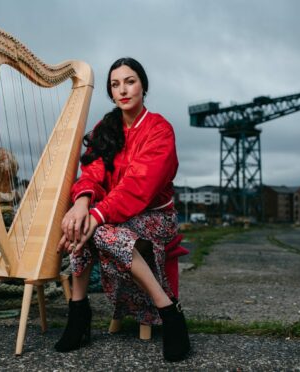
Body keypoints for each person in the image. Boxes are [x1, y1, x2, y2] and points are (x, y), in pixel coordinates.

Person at [55, 57, 190, 362]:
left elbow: (137, 187)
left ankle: (169, 312)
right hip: (111, 213)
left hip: (155, 216)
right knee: (84, 226)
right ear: (111, 92)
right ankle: (79, 310)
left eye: (130, 81)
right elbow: (91, 172)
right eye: (115, 85)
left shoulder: (159, 130)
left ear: (143, 85)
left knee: (96, 229)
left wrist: (95, 216)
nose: (123, 90)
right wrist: (81, 204)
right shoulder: (107, 126)